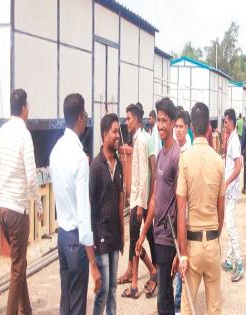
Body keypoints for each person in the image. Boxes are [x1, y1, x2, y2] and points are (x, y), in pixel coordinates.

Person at [50, 93, 101, 315]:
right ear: (80, 117)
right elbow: (83, 213)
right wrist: (93, 263)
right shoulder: (79, 158)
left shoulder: (56, 151)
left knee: (66, 300)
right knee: (78, 305)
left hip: (62, 237)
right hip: (75, 240)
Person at [0, 89, 43, 315]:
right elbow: (31, 176)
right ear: (24, 107)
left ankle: (27, 309)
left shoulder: (1, 132)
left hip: (2, 208)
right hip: (17, 209)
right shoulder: (24, 134)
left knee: (19, 262)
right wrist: (40, 205)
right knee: (16, 268)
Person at [177, 102, 225, 314]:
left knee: (187, 307)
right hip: (213, 243)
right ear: (208, 128)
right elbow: (221, 209)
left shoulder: (185, 159)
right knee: (214, 308)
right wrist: (215, 236)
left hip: (192, 245)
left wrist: (183, 255)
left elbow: (180, 213)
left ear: (190, 128)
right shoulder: (218, 161)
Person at [136, 97, 180, 315]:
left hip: (169, 238)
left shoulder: (176, 156)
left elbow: (183, 203)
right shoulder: (162, 154)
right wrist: (144, 233)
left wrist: (180, 248)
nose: (160, 125)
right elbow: (154, 198)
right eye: (158, 120)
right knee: (165, 295)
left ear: (172, 123)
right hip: (158, 233)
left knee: (163, 297)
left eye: (164, 120)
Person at [117, 103, 157, 295]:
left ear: (137, 120)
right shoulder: (142, 138)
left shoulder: (141, 140)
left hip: (138, 202)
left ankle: (135, 284)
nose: (127, 122)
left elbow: (144, 174)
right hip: (140, 199)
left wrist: (141, 205)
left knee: (135, 241)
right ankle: (152, 271)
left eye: (129, 118)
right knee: (141, 239)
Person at [89, 113, 124, 315]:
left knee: (112, 289)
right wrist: (91, 239)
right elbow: (89, 203)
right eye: (114, 131)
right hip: (100, 237)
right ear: (104, 135)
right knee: (103, 289)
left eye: (118, 131)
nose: (118, 135)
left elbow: (120, 199)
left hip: (115, 237)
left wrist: (122, 232)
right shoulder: (96, 167)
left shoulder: (118, 164)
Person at [221, 108, 244, 282]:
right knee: (229, 224)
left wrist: (227, 182)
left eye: (226, 122)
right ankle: (229, 260)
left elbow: (238, 166)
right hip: (229, 189)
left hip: (231, 189)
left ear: (232, 122)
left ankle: (239, 262)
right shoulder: (230, 139)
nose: (224, 124)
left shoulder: (235, 141)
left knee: (230, 227)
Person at [172, 109, 191, 313]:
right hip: (173, 214)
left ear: (187, 128)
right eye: (175, 127)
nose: (177, 130)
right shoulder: (171, 149)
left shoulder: (189, 152)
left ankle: (178, 302)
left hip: (185, 215)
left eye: (181, 127)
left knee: (182, 256)